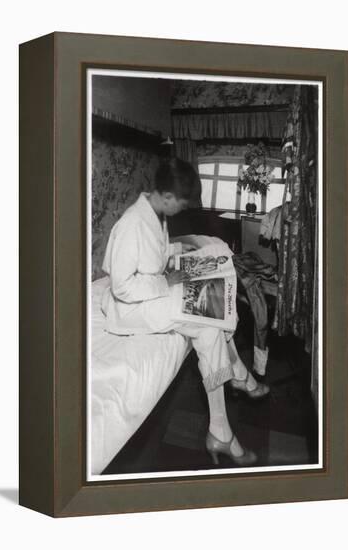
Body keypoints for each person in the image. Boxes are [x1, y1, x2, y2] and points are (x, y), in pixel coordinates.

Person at [102, 157, 269, 467]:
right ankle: (235, 384)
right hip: (131, 308)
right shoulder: (131, 224)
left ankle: (221, 428)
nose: (182, 210)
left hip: (152, 293)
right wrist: (166, 282)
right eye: (181, 204)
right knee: (208, 319)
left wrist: (179, 251)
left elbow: (154, 253)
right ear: (166, 197)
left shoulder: (155, 213)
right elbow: (121, 287)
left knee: (210, 320)